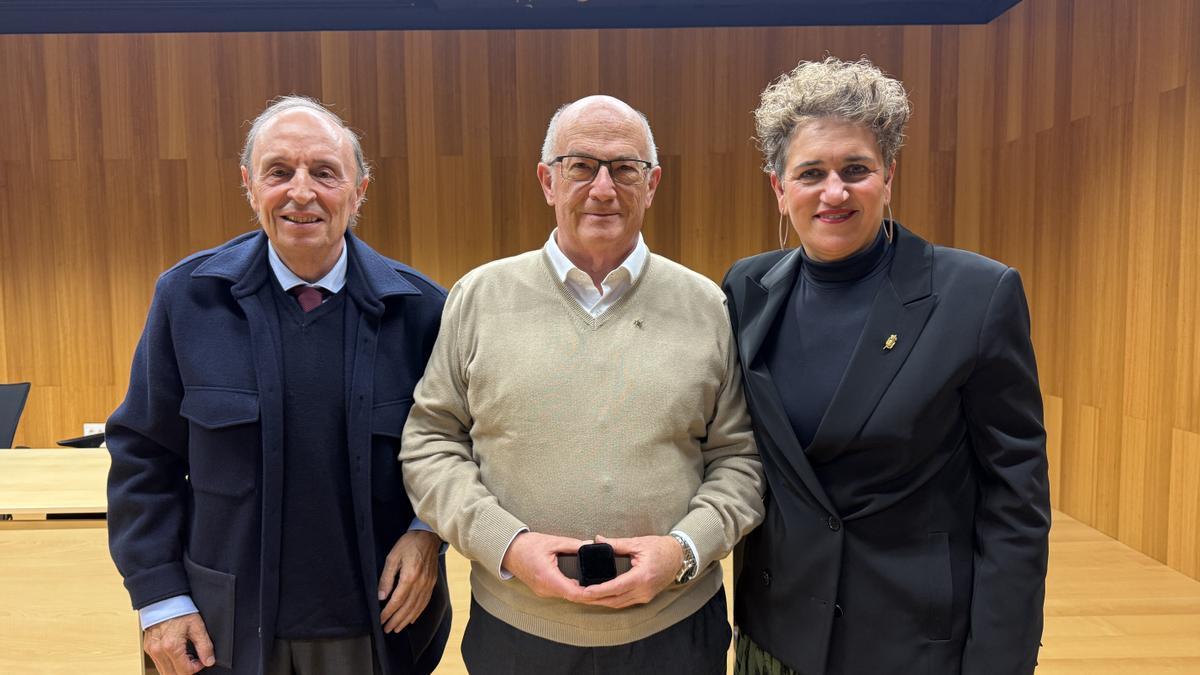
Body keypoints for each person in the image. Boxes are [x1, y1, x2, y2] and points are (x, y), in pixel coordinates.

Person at [400, 95, 764, 674]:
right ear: (547, 180)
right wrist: (510, 548)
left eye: (625, 168)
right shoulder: (479, 298)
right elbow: (431, 445)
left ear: (652, 184)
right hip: (519, 633)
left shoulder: (706, 307)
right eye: (581, 166)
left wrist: (681, 552)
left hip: (673, 632)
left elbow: (740, 461)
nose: (602, 188)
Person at [723, 57, 1051, 675]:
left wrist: (1000, 660)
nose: (834, 191)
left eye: (856, 170)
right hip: (776, 634)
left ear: (889, 175)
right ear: (779, 187)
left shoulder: (976, 295)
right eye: (811, 173)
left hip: (910, 643)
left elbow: (1016, 502)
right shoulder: (746, 288)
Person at [106, 96, 451, 675]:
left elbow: (456, 446)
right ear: (249, 184)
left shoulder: (423, 311)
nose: (301, 192)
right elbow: (143, 455)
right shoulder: (187, 300)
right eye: (278, 172)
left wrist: (427, 533)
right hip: (221, 630)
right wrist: (158, 598)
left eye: (324, 172)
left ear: (359, 189)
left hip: (377, 630)